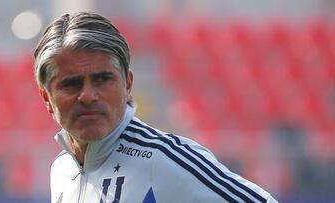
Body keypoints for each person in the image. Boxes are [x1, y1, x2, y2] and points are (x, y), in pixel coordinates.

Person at [34, 12, 278, 203]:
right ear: (46, 97)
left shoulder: (166, 160)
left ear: (128, 84)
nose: (87, 95)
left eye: (102, 79)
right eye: (71, 84)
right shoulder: (62, 167)